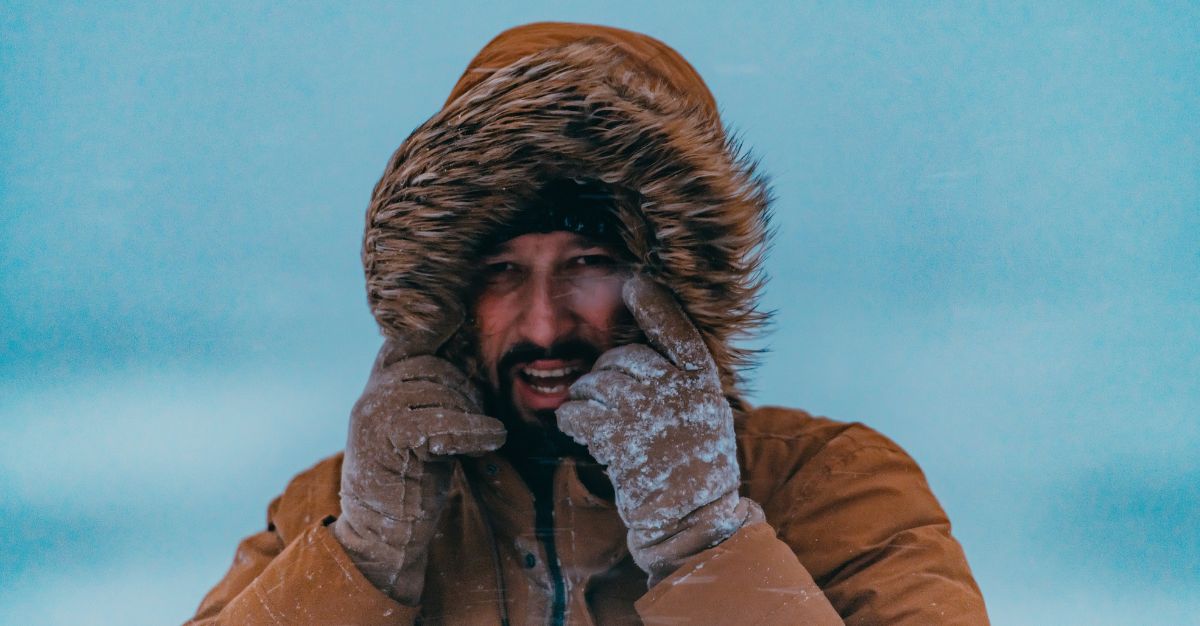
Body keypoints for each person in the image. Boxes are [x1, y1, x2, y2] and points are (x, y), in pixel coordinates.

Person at [187, 22, 989, 625]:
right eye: (502, 271)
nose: (543, 324)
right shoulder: (338, 506)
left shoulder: (830, 487)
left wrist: (704, 542)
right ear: (450, 295)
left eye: (588, 261)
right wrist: (361, 564)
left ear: (675, 278)